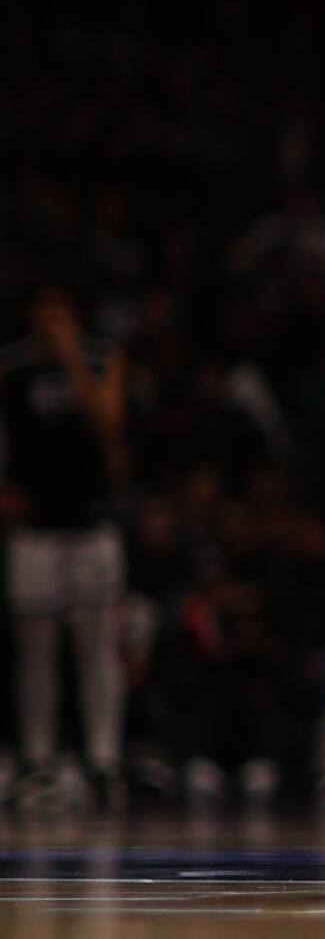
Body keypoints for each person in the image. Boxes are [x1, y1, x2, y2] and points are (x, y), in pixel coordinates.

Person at [3, 289, 129, 809]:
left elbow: (109, 424)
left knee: (98, 649)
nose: (52, 322)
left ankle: (103, 762)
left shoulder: (103, 359)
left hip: (90, 527)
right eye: (44, 312)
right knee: (36, 652)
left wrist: (73, 359)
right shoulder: (11, 370)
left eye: (62, 312)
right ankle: (38, 761)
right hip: (35, 531)